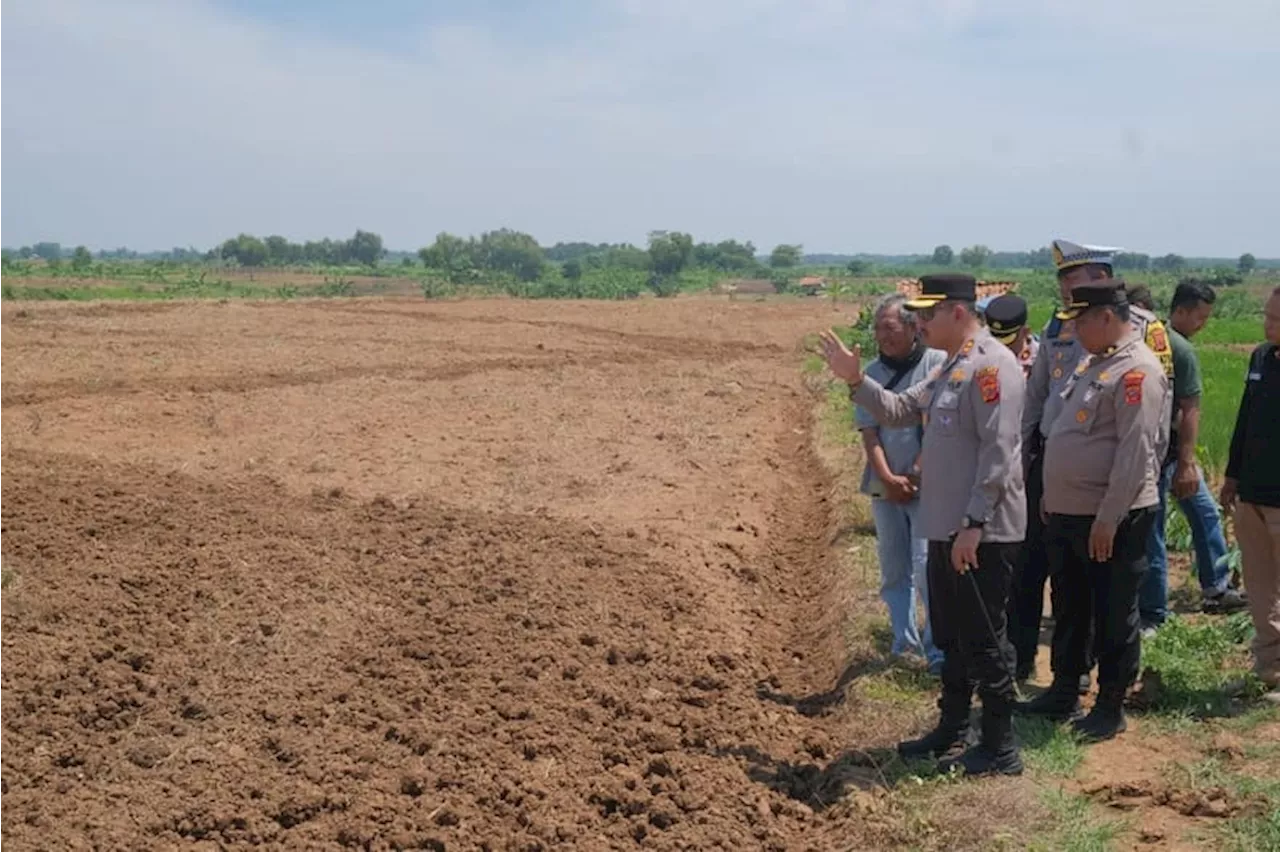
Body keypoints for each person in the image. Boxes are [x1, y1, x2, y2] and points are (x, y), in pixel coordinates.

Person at [820, 273, 1027, 777]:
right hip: (945, 526)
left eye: (926, 315)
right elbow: (896, 410)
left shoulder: (992, 367)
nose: (918, 323)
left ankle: (1000, 747)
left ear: (958, 312)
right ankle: (952, 728)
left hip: (982, 532)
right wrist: (855, 379)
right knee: (953, 637)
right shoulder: (953, 366)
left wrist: (974, 524)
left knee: (985, 638)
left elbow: (1000, 455)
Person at [1018, 239, 1173, 691]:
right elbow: (1042, 397)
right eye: (1063, 282)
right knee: (1067, 590)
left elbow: (1149, 430)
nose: (1067, 291)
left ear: (1104, 285)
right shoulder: (1065, 330)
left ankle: (1110, 697)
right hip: (1064, 480)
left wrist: (1129, 492)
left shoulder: (1140, 335)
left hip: (1117, 484)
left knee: (1111, 598)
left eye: (1076, 281)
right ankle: (1067, 679)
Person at [1131, 281, 1246, 632]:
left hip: (1161, 455)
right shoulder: (1178, 348)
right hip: (1170, 458)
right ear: (1180, 310)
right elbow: (1190, 410)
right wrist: (1187, 462)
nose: (1203, 324)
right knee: (1161, 533)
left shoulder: (1156, 341)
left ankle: (1216, 585)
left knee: (1202, 514)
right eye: (1201, 316)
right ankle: (1156, 613)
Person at [853, 293, 947, 674]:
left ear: (913, 328)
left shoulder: (937, 364)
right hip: (885, 482)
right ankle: (903, 643)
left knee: (928, 567)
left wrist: (917, 472)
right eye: (877, 328)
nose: (881, 335)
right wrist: (888, 477)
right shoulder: (871, 372)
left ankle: (937, 648)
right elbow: (869, 431)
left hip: (929, 483)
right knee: (894, 566)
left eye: (888, 327)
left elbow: (940, 427)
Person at [1220, 286, 1280, 703]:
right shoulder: (1261, 358)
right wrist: (1232, 477)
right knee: (1261, 589)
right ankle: (1268, 670)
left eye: (1277, 319)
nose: (1268, 324)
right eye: (1268, 316)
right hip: (1253, 494)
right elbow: (1244, 421)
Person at [984, 294, 1039, 379]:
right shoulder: (981, 357)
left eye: (1008, 341)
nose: (1001, 347)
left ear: (1025, 332)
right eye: (996, 341)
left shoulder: (1040, 359)